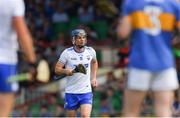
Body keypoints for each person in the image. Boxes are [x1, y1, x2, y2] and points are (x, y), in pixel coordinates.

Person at [117, 0, 180, 117]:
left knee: (131, 111)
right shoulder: (174, 4)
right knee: (164, 110)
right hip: (165, 63)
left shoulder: (132, 3)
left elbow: (122, 33)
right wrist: (173, 42)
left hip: (140, 62)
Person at [0, 0, 36, 116]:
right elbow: (22, 31)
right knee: (3, 112)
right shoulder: (13, 1)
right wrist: (32, 62)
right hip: (5, 59)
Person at [55, 29, 98, 117]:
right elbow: (57, 69)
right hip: (71, 91)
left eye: (83, 37)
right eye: (79, 38)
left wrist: (94, 77)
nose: (82, 40)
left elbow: (94, 62)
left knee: (85, 116)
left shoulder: (91, 51)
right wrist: (66, 71)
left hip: (86, 91)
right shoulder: (67, 53)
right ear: (73, 40)